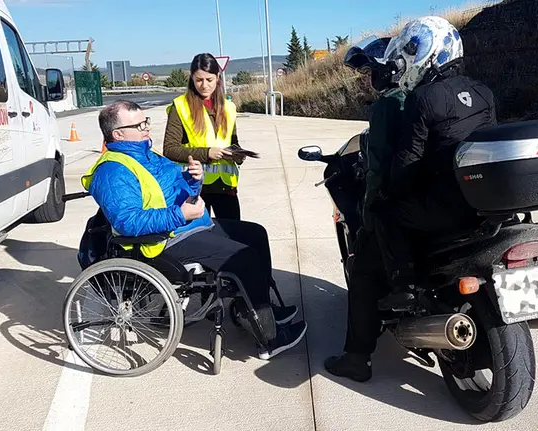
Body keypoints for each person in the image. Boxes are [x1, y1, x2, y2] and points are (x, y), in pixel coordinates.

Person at [83, 99, 307, 360]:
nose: (146, 128)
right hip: (161, 242)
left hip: (188, 226)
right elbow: (127, 222)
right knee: (243, 258)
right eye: (139, 124)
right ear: (118, 134)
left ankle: (256, 306)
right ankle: (270, 339)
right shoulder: (112, 171)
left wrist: (193, 180)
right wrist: (179, 214)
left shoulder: (148, 155)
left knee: (255, 234)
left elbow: (179, 193)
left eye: (146, 121)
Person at [371, 16, 497, 310]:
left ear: (431, 53)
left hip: (448, 205)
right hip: (485, 202)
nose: (406, 61)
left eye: (412, 52)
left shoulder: (423, 98)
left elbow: (408, 160)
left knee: (384, 212)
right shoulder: (484, 93)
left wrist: (389, 190)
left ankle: (405, 285)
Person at [324, 36, 407, 382]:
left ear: (387, 71)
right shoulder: (427, 96)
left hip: (402, 205)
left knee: (362, 271)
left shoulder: (389, 105)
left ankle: (357, 358)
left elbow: (377, 170)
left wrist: (369, 212)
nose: (364, 78)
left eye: (368, 71)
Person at [163, 53, 252, 220]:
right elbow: (170, 149)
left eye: (209, 80)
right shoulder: (180, 106)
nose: (204, 85)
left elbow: (233, 142)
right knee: (199, 241)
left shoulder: (229, 107)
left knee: (230, 240)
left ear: (217, 78)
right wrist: (207, 153)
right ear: (191, 78)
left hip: (226, 188)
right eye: (199, 80)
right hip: (194, 188)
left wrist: (238, 155)